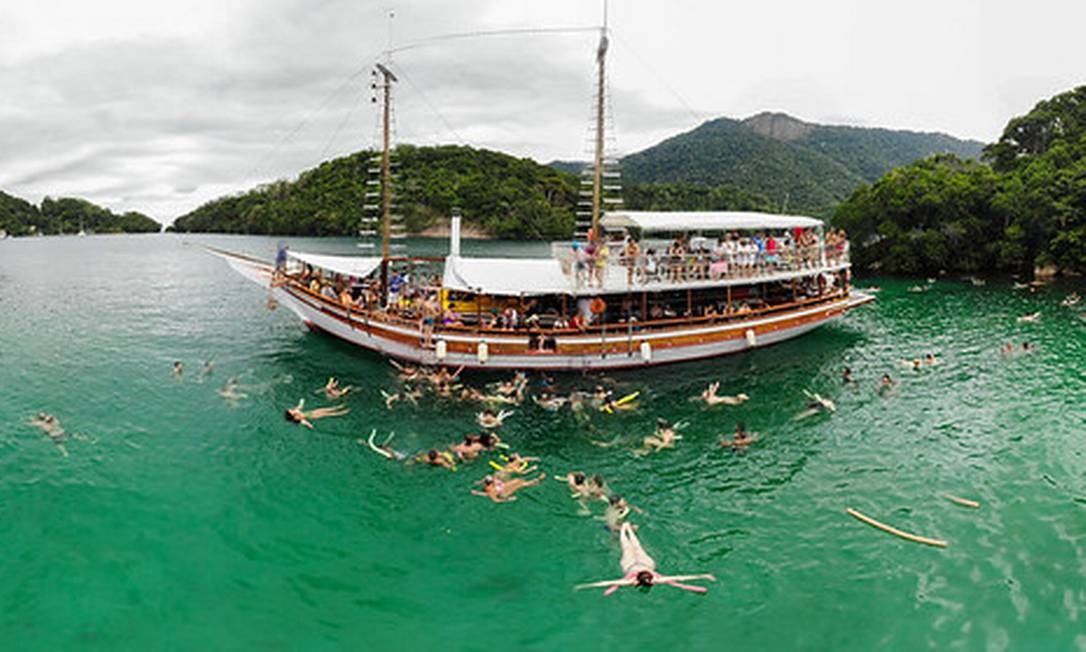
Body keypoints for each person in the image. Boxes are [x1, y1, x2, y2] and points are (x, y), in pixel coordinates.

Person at [576, 522, 716, 595]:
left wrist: (584, 586)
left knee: (631, 547)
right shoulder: (651, 579)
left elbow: (605, 583)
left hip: (639, 565)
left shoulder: (634, 581)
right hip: (636, 565)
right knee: (633, 547)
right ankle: (627, 529)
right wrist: (703, 576)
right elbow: (679, 579)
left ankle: (625, 529)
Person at [472, 473, 546, 503]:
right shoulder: (491, 490)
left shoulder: (492, 481)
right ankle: (537, 479)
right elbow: (496, 500)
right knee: (519, 485)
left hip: (502, 487)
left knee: (518, 480)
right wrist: (509, 499)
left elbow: (486, 480)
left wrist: (478, 482)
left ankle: (535, 482)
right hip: (503, 493)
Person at [283, 399, 350, 429]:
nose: (291, 409)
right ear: (291, 415)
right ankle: (341, 412)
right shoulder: (297, 418)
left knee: (326, 409)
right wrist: (310, 425)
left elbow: (300, 406)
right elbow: (304, 422)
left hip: (311, 412)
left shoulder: (295, 411)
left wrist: (301, 401)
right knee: (328, 414)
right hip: (313, 416)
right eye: (290, 410)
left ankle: (339, 407)